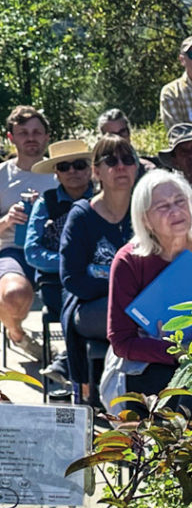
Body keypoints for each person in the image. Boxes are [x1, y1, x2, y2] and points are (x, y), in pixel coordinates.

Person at [106, 169, 192, 416]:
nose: (175, 211)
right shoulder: (129, 261)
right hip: (149, 359)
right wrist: (171, 351)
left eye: (180, 201)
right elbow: (121, 340)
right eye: (163, 206)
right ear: (145, 218)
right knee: (165, 399)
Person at [60, 134, 138, 401]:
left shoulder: (146, 212)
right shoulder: (81, 216)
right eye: (111, 160)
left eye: (128, 160)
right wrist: (124, 290)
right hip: (90, 306)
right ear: (96, 171)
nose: (120, 166)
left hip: (141, 304)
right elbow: (72, 279)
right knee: (138, 319)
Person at [26, 140, 96, 386]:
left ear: (90, 168)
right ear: (56, 172)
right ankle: (81, 379)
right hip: (55, 282)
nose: (73, 171)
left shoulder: (102, 200)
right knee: (81, 308)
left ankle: (69, 366)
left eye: (79, 164)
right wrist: (70, 264)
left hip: (95, 278)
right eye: (65, 166)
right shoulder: (45, 203)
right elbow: (32, 252)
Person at [0, 106, 57, 358]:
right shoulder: (2, 176)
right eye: (23, 133)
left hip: (54, 251)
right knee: (14, 295)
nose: (31, 138)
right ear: (11, 138)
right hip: (13, 251)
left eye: (37, 132)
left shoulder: (63, 173)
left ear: (47, 137)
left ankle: (76, 360)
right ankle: (17, 334)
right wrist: (6, 220)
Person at [97, 108, 157, 177]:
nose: (119, 138)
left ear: (129, 132)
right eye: (112, 135)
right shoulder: (94, 174)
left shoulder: (149, 172)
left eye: (122, 132)